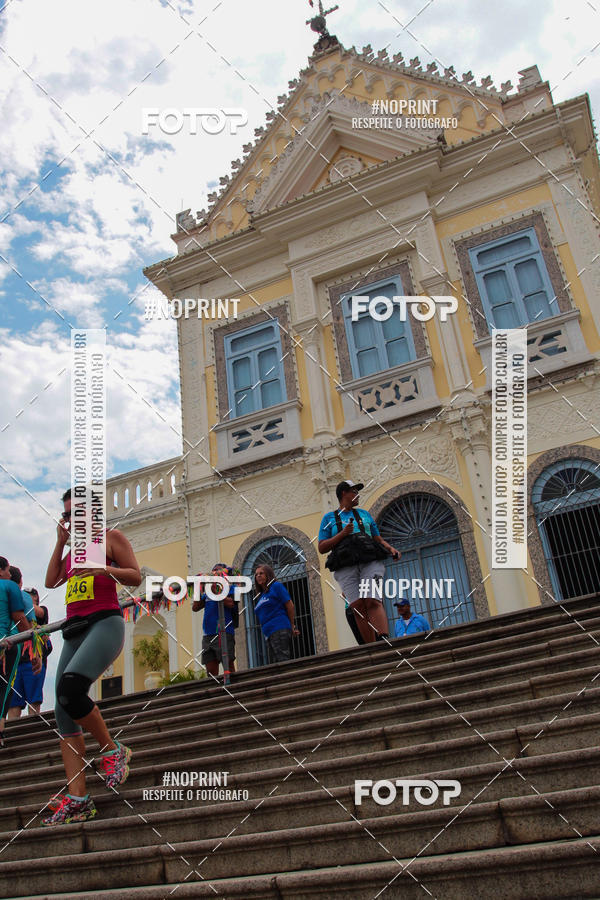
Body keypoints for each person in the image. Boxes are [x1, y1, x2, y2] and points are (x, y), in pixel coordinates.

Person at [42, 488, 142, 826]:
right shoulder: (71, 554)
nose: (70, 520)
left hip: (104, 623)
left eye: (76, 513)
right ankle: (78, 799)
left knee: (71, 690)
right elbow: (51, 580)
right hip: (74, 629)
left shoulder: (110, 538)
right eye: (66, 515)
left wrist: (105, 571)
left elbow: (136, 575)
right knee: (62, 711)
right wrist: (60, 541)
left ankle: (112, 750)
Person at [318, 480, 400, 643]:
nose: (357, 495)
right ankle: (371, 647)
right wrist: (343, 534)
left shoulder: (364, 514)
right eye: (354, 491)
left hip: (370, 561)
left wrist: (391, 549)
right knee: (358, 607)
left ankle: (384, 639)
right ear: (344, 493)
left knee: (372, 599)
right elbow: (322, 547)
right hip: (345, 565)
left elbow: (376, 537)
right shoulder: (329, 518)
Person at [0, 557, 41, 746]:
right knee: (5, 688)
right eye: (7, 569)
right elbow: (21, 618)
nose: (9, 573)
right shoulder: (10, 588)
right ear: (1, 571)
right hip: (8, 644)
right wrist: (34, 647)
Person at [7, 573, 49, 718]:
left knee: (34, 700)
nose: (27, 597)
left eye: (30, 595)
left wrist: (19, 599)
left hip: (32, 660)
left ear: (36, 597)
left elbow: (36, 611)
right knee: (13, 703)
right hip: (16, 661)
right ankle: (12, 735)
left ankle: (34, 730)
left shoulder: (41, 610)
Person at [192, 563, 239, 678]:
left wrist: (216, 592)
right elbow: (195, 607)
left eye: (218, 572)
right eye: (213, 572)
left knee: (228, 665)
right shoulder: (207, 591)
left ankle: (235, 690)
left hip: (225, 631)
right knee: (211, 672)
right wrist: (199, 587)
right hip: (208, 634)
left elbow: (231, 603)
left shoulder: (232, 588)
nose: (215, 575)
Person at [253, 565, 299, 663]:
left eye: (261, 573)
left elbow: (290, 605)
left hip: (279, 628)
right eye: (256, 574)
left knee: (282, 660)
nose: (258, 576)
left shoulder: (276, 586)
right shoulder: (262, 595)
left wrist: (292, 625)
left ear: (268, 574)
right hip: (269, 633)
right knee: (275, 664)